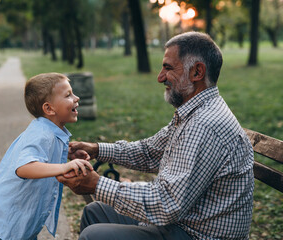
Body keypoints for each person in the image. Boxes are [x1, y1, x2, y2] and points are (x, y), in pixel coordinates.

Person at [57, 32, 254, 240]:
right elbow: (149, 152)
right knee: (94, 212)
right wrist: (97, 149)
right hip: (182, 223)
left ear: (197, 72)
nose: (160, 77)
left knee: (94, 236)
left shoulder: (205, 125)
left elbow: (167, 204)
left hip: (197, 234)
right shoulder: (194, 112)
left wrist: (97, 184)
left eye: (168, 68)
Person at [0, 73, 93, 240]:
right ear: (49, 109)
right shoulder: (41, 134)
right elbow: (24, 167)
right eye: (68, 95)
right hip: (11, 221)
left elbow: (42, 155)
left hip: (23, 217)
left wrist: (65, 154)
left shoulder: (50, 132)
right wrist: (63, 167)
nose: (76, 98)